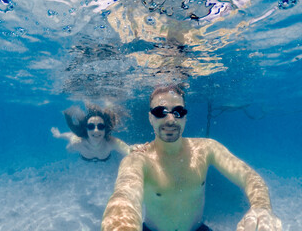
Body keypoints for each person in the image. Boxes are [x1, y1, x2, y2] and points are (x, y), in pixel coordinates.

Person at [101, 84, 282, 231]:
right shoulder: (138, 159)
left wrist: (262, 208)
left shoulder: (206, 148)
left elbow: (248, 176)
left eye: (178, 111)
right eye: (160, 112)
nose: (170, 119)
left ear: (185, 117)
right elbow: (124, 197)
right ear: (150, 118)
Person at [51, 103, 130, 161]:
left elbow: (128, 150)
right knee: (71, 141)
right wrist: (59, 135)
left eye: (100, 126)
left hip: (104, 158)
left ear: (105, 129)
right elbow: (69, 135)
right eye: (91, 126)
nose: (96, 130)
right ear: (86, 129)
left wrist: (136, 149)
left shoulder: (111, 142)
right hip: (85, 157)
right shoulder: (78, 143)